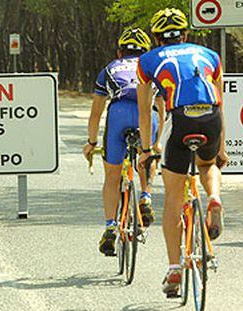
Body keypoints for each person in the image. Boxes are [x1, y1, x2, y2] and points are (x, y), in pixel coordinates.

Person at [136, 8, 229, 294]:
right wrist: (222, 147)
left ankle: (175, 268)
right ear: (186, 34)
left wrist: (146, 150)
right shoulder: (210, 55)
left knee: (174, 200)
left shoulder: (147, 60)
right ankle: (213, 197)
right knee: (208, 164)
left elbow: (144, 113)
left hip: (180, 118)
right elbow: (221, 103)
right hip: (211, 117)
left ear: (156, 37)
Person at [83, 27, 165, 256]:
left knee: (111, 176)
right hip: (144, 113)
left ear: (120, 52)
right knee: (147, 155)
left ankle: (110, 226)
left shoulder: (109, 68)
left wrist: (91, 142)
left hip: (118, 114)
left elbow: (95, 114)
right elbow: (161, 108)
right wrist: (156, 142)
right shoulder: (152, 67)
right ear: (145, 51)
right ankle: (146, 196)